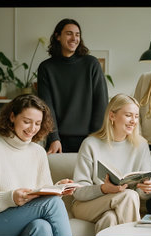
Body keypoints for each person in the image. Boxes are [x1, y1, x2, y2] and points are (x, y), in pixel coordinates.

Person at [0, 94, 75, 236]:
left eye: (38, 123)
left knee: (41, 227)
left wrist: (57, 189)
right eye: (27, 121)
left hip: (17, 220)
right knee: (53, 204)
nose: (32, 129)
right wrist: (10, 198)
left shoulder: (38, 152)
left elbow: (43, 198)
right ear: (12, 117)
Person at [71, 93, 151, 234]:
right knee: (129, 195)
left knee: (109, 219)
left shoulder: (141, 145)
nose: (133, 121)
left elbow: (145, 194)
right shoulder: (90, 144)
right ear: (112, 116)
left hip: (122, 204)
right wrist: (103, 189)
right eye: (128, 115)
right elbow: (78, 191)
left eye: (136, 116)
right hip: (87, 205)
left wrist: (147, 189)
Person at [38, 18, 108, 154]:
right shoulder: (46, 68)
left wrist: (94, 139)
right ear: (58, 36)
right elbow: (46, 106)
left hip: (89, 139)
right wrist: (54, 138)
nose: (74, 38)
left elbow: (101, 103)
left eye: (77, 34)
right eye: (69, 33)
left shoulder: (91, 64)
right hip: (58, 141)